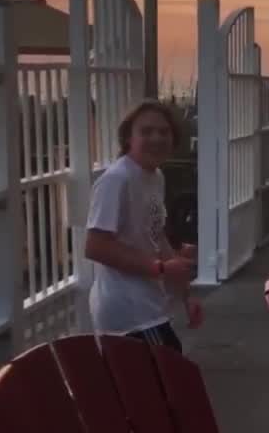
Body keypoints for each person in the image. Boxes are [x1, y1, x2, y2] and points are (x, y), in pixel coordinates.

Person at [85, 101, 204, 352]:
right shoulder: (117, 180)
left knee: (156, 387)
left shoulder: (154, 177)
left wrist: (186, 293)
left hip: (150, 306)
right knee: (169, 384)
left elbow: (156, 236)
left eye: (164, 132)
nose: (156, 138)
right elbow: (96, 246)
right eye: (146, 131)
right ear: (129, 138)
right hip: (128, 313)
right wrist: (159, 268)